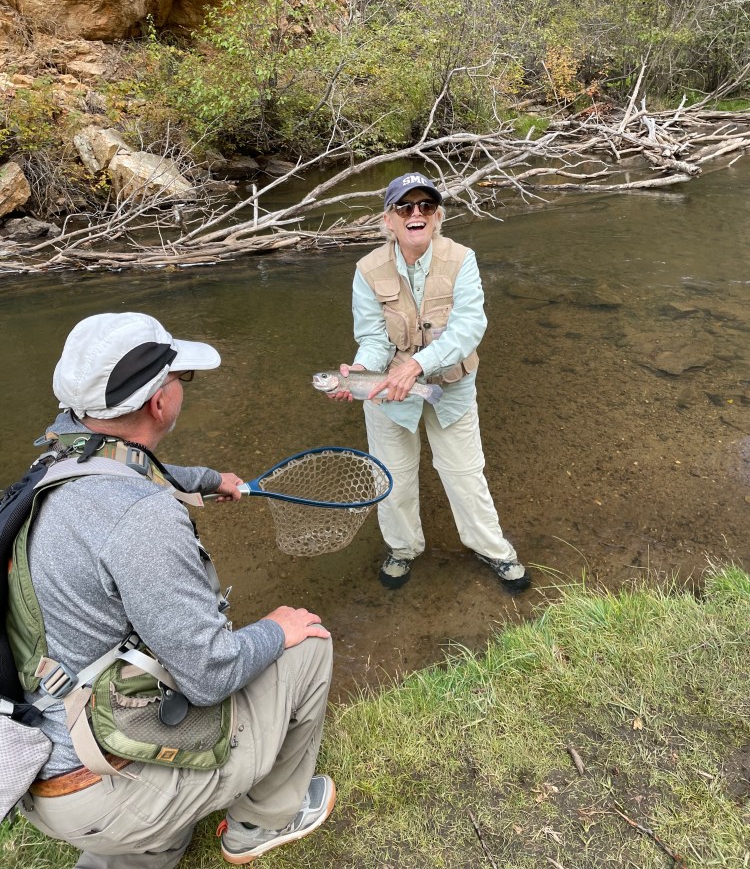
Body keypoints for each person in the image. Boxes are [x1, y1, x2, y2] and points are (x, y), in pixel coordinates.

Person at [10, 312, 335, 868]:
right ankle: (261, 823)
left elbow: (126, 467)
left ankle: (139, 846)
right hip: (100, 786)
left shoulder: (58, 458)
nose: (184, 386)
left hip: (45, 755)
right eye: (183, 377)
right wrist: (275, 629)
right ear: (160, 402)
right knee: (306, 644)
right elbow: (210, 676)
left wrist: (210, 480)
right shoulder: (142, 519)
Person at [334, 172, 531, 593]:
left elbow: (468, 328)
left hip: (451, 386)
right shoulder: (366, 270)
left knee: (464, 474)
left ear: (438, 216)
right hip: (388, 392)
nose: (416, 213)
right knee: (392, 477)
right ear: (388, 220)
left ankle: (493, 549)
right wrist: (359, 374)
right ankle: (403, 548)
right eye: (405, 207)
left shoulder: (462, 259)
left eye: (426, 206)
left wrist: (416, 366)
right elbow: (372, 338)